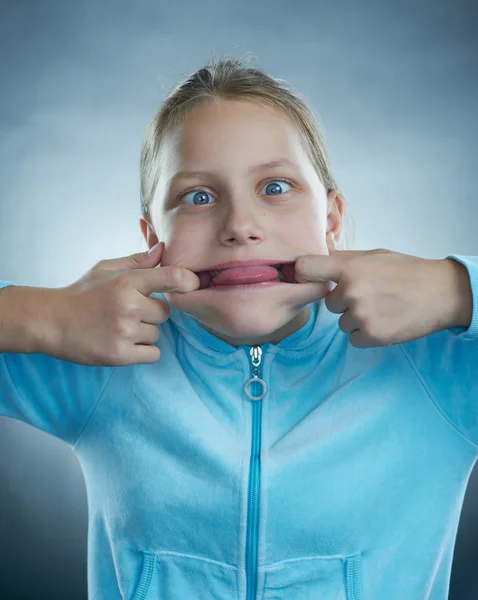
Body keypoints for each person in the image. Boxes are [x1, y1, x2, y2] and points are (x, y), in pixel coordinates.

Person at [0, 55, 476, 600]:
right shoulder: (98, 353)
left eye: (275, 187)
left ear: (333, 220)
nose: (240, 226)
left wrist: (459, 289)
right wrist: (43, 317)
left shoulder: (438, 364)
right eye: (198, 197)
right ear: (150, 233)